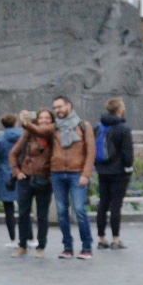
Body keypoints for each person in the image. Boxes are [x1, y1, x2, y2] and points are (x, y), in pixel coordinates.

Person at [48, 94, 95, 260]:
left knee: (80, 210)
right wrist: (25, 121)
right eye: (55, 108)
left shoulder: (83, 126)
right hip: (57, 173)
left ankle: (86, 246)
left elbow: (91, 151)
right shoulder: (54, 127)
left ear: (69, 105)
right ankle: (67, 247)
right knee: (61, 212)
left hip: (77, 174)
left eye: (60, 107)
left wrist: (86, 174)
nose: (57, 110)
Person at [10, 109, 55, 255]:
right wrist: (17, 172)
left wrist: (25, 122)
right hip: (26, 178)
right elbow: (13, 153)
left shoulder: (54, 133)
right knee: (23, 213)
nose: (43, 120)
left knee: (42, 216)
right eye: (41, 118)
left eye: (47, 118)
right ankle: (22, 245)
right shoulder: (29, 133)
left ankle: (41, 247)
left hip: (44, 179)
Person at [95, 97, 135, 249]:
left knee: (103, 204)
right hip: (118, 172)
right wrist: (128, 167)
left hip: (102, 171)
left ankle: (101, 239)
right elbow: (127, 153)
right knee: (116, 206)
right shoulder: (123, 128)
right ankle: (116, 239)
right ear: (120, 110)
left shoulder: (98, 127)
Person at [0, 112, 24, 248]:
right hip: (21, 173)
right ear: (16, 123)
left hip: (4, 175)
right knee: (24, 208)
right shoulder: (24, 136)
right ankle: (30, 238)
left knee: (8, 210)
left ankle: (13, 240)